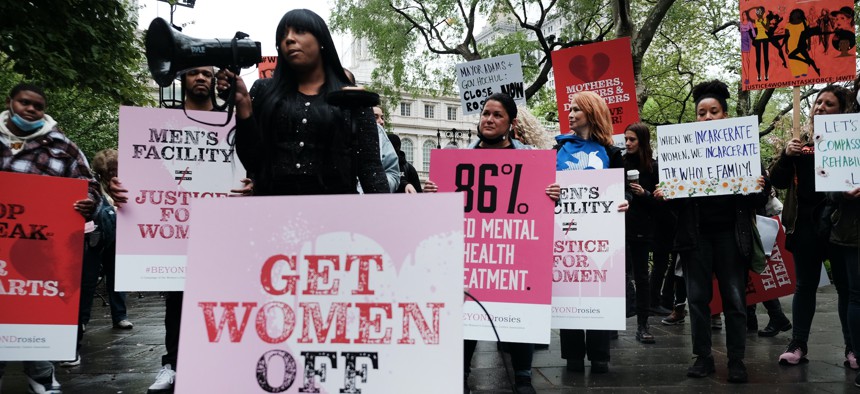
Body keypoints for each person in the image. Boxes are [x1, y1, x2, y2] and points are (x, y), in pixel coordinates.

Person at [423, 92, 560, 394]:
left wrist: (552, 195)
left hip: (516, 250)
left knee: (521, 305)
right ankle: (459, 373)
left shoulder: (531, 160)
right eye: (486, 113)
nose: (489, 119)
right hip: (470, 250)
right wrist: (434, 192)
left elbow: (545, 209)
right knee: (465, 306)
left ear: (510, 123)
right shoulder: (460, 159)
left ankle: (523, 375)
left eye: (497, 115)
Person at [655, 80, 768, 384]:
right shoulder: (681, 153)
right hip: (696, 237)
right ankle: (702, 357)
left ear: (726, 115)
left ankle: (736, 360)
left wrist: (760, 185)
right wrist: (665, 196)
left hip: (732, 236)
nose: (707, 117)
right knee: (697, 299)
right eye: (701, 113)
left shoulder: (744, 150)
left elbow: (758, 201)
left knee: (734, 299)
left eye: (713, 112)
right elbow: (675, 209)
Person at [217, 9, 389, 196]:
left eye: (299, 31)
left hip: (336, 215)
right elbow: (253, 160)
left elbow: (370, 167)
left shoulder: (352, 98)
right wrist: (243, 105)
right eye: (283, 35)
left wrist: (383, 215)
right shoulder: (263, 91)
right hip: (274, 212)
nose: (289, 39)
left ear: (321, 40)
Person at [0, 82, 101, 394]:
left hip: (40, 251)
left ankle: (42, 376)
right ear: (10, 102)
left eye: (38, 106)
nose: (31, 110)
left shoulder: (63, 147)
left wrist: (89, 203)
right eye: (24, 102)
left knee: (34, 305)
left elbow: (90, 186)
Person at [771, 85, 854, 367]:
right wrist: (786, 155)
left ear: (842, 111)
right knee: (805, 286)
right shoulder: (800, 142)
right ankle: (798, 344)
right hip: (805, 225)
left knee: (846, 288)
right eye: (818, 102)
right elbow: (778, 182)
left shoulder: (852, 141)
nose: (820, 107)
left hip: (840, 224)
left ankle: (852, 348)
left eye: (829, 104)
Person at [555, 91, 628, 374]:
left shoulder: (611, 153)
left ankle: (600, 355)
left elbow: (622, 191)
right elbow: (546, 188)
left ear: (591, 113)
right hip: (566, 233)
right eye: (569, 110)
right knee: (568, 288)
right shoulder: (557, 151)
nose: (570, 114)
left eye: (576, 110)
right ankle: (572, 355)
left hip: (601, 235)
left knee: (599, 289)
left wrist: (626, 201)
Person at [60, 149, 131, 369]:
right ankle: (81, 320)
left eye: (117, 168)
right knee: (87, 280)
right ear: (102, 170)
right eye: (110, 169)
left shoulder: (126, 184)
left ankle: (120, 316)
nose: (114, 172)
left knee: (117, 277)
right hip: (92, 237)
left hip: (118, 237)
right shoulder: (94, 186)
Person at [623, 122, 660, 343]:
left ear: (642, 141)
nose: (627, 143)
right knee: (618, 276)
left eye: (632, 139)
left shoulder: (653, 167)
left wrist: (645, 193)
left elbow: (662, 203)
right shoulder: (620, 162)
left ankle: (643, 325)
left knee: (641, 277)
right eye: (626, 139)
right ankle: (611, 323)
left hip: (642, 229)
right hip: (619, 226)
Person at [370, 105, 401, 192]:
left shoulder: (385, 143)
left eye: (382, 118)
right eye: (375, 117)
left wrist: (379, 184)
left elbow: (393, 174)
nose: (381, 121)